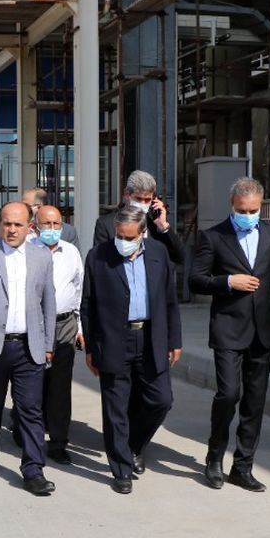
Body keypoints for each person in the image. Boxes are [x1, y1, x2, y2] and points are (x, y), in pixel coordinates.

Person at [188, 176, 270, 492]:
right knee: (229, 394)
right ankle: (214, 458)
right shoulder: (213, 237)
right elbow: (196, 279)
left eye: (254, 210)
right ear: (232, 205)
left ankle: (243, 467)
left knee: (255, 400)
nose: (248, 215)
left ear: (261, 206)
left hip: (262, 332)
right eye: (242, 210)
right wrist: (228, 282)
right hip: (228, 329)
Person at [81, 204, 182, 493]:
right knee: (115, 407)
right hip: (114, 340)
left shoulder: (158, 253)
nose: (123, 242)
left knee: (161, 399)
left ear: (142, 234)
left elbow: (170, 301)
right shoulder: (98, 256)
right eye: (119, 236)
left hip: (150, 337)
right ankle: (121, 469)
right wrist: (90, 347)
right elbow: (88, 304)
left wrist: (174, 340)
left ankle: (133, 444)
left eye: (129, 237)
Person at [0, 202, 57, 495]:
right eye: (7, 224)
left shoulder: (42, 257)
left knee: (31, 409)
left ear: (30, 227)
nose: (12, 230)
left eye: (18, 224)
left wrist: (48, 343)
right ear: (0, 224)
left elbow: (49, 301)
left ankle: (33, 470)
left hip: (29, 345)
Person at [30, 204, 84, 464]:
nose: (52, 229)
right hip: (35, 325)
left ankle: (59, 442)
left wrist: (80, 327)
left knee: (60, 387)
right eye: (47, 224)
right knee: (33, 383)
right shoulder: (27, 249)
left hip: (65, 325)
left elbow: (79, 289)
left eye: (57, 224)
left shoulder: (71, 252)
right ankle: (28, 432)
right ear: (35, 226)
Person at [92, 170, 184, 265]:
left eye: (147, 200)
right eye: (138, 199)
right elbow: (99, 262)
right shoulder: (106, 224)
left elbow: (179, 258)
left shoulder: (155, 225)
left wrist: (164, 226)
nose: (142, 203)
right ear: (127, 194)